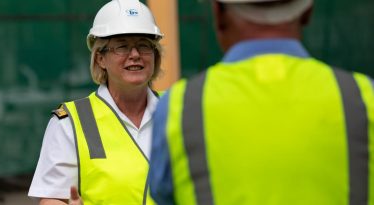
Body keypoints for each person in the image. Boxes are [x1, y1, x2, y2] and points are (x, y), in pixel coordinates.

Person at [149, 0, 374, 204]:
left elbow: (164, 195)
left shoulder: (179, 107)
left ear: (218, 13)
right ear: (307, 11)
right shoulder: (363, 98)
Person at [28, 0, 163, 204]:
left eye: (144, 46)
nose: (134, 55)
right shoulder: (70, 122)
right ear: (100, 58)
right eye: (122, 47)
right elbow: (53, 198)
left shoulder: (177, 110)